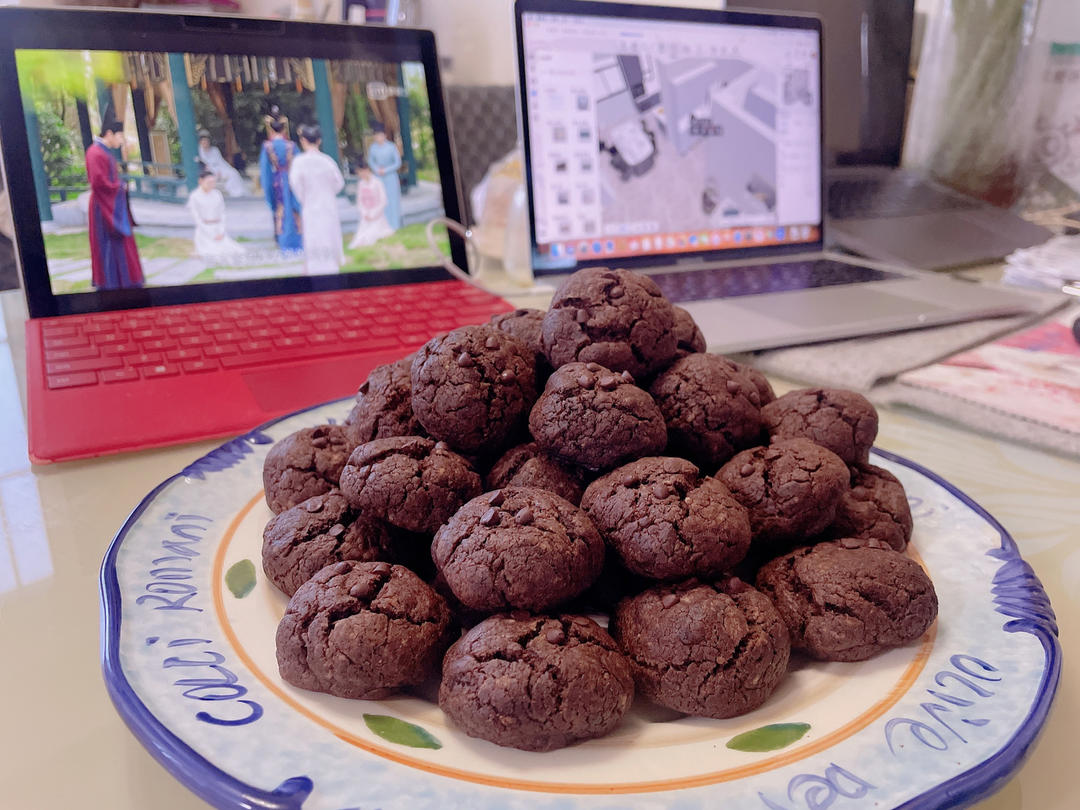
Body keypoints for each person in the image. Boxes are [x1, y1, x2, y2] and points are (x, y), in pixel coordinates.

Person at [86, 120, 143, 290]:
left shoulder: (102, 152)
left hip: (110, 203)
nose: (121, 141)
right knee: (108, 244)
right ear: (109, 133)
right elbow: (98, 183)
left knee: (120, 243)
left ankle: (124, 281)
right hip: (103, 207)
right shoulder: (95, 153)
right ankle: (112, 283)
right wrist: (119, 187)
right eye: (120, 136)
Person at [289, 124, 345, 275]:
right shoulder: (327, 161)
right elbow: (339, 183)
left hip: (310, 203)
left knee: (313, 234)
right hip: (328, 203)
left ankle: (314, 265)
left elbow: (295, 184)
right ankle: (331, 263)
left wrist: (304, 197)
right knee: (328, 232)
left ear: (303, 141)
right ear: (319, 141)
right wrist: (328, 192)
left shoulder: (299, 162)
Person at [258, 110, 302, 252]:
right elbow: (299, 165)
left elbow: (265, 171)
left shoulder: (267, 146)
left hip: (277, 180)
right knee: (294, 208)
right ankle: (298, 236)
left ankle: (280, 238)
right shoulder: (291, 145)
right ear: (284, 128)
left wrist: (267, 187)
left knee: (279, 209)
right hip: (291, 178)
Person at [187, 169, 245, 261]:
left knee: (236, 251)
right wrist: (211, 233)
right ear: (201, 181)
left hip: (218, 228)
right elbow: (197, 219)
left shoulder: (217, 194)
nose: (212, 184)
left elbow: (222, 214)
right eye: (209, 182)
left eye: (213, 182)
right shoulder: (194, 196)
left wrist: (221, 231)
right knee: (213, 252)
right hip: (204, 230)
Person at [349, 156, 394, 249]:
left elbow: (383, 200)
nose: (362, 174)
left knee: (371, 235)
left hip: (377, 214)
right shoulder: (361, 184)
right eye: (359, 172)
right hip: (366, 214)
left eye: (364, 171)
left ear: (368, 170)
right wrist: (364, 213)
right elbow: (360, 201)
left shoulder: (377, 182)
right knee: (360, 237)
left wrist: (374, 213)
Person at [366, 122, 402, 229]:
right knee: (380, 199)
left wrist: (386, 170)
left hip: (390, 176)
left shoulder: (391, 147)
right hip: (378, 177)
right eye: (376, 135)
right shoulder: (373, 148)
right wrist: (377, 169)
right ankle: (383, 225)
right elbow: (371, 161)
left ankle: (394, 225)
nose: (378, 137)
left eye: (380, 135)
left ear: (384, 135)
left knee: (392, 200)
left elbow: (397, 163)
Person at [197, 130, 247, 197]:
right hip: (210, 170)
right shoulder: (199, 151)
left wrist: (228, 168)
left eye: (206, 141)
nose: (205, 143)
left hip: (220, 168)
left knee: (233, 173)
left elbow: (221, 161)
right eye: (203, 141)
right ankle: (234, 192)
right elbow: (203, 164)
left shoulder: (214, 150)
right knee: (226, 175)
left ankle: (238, 192)